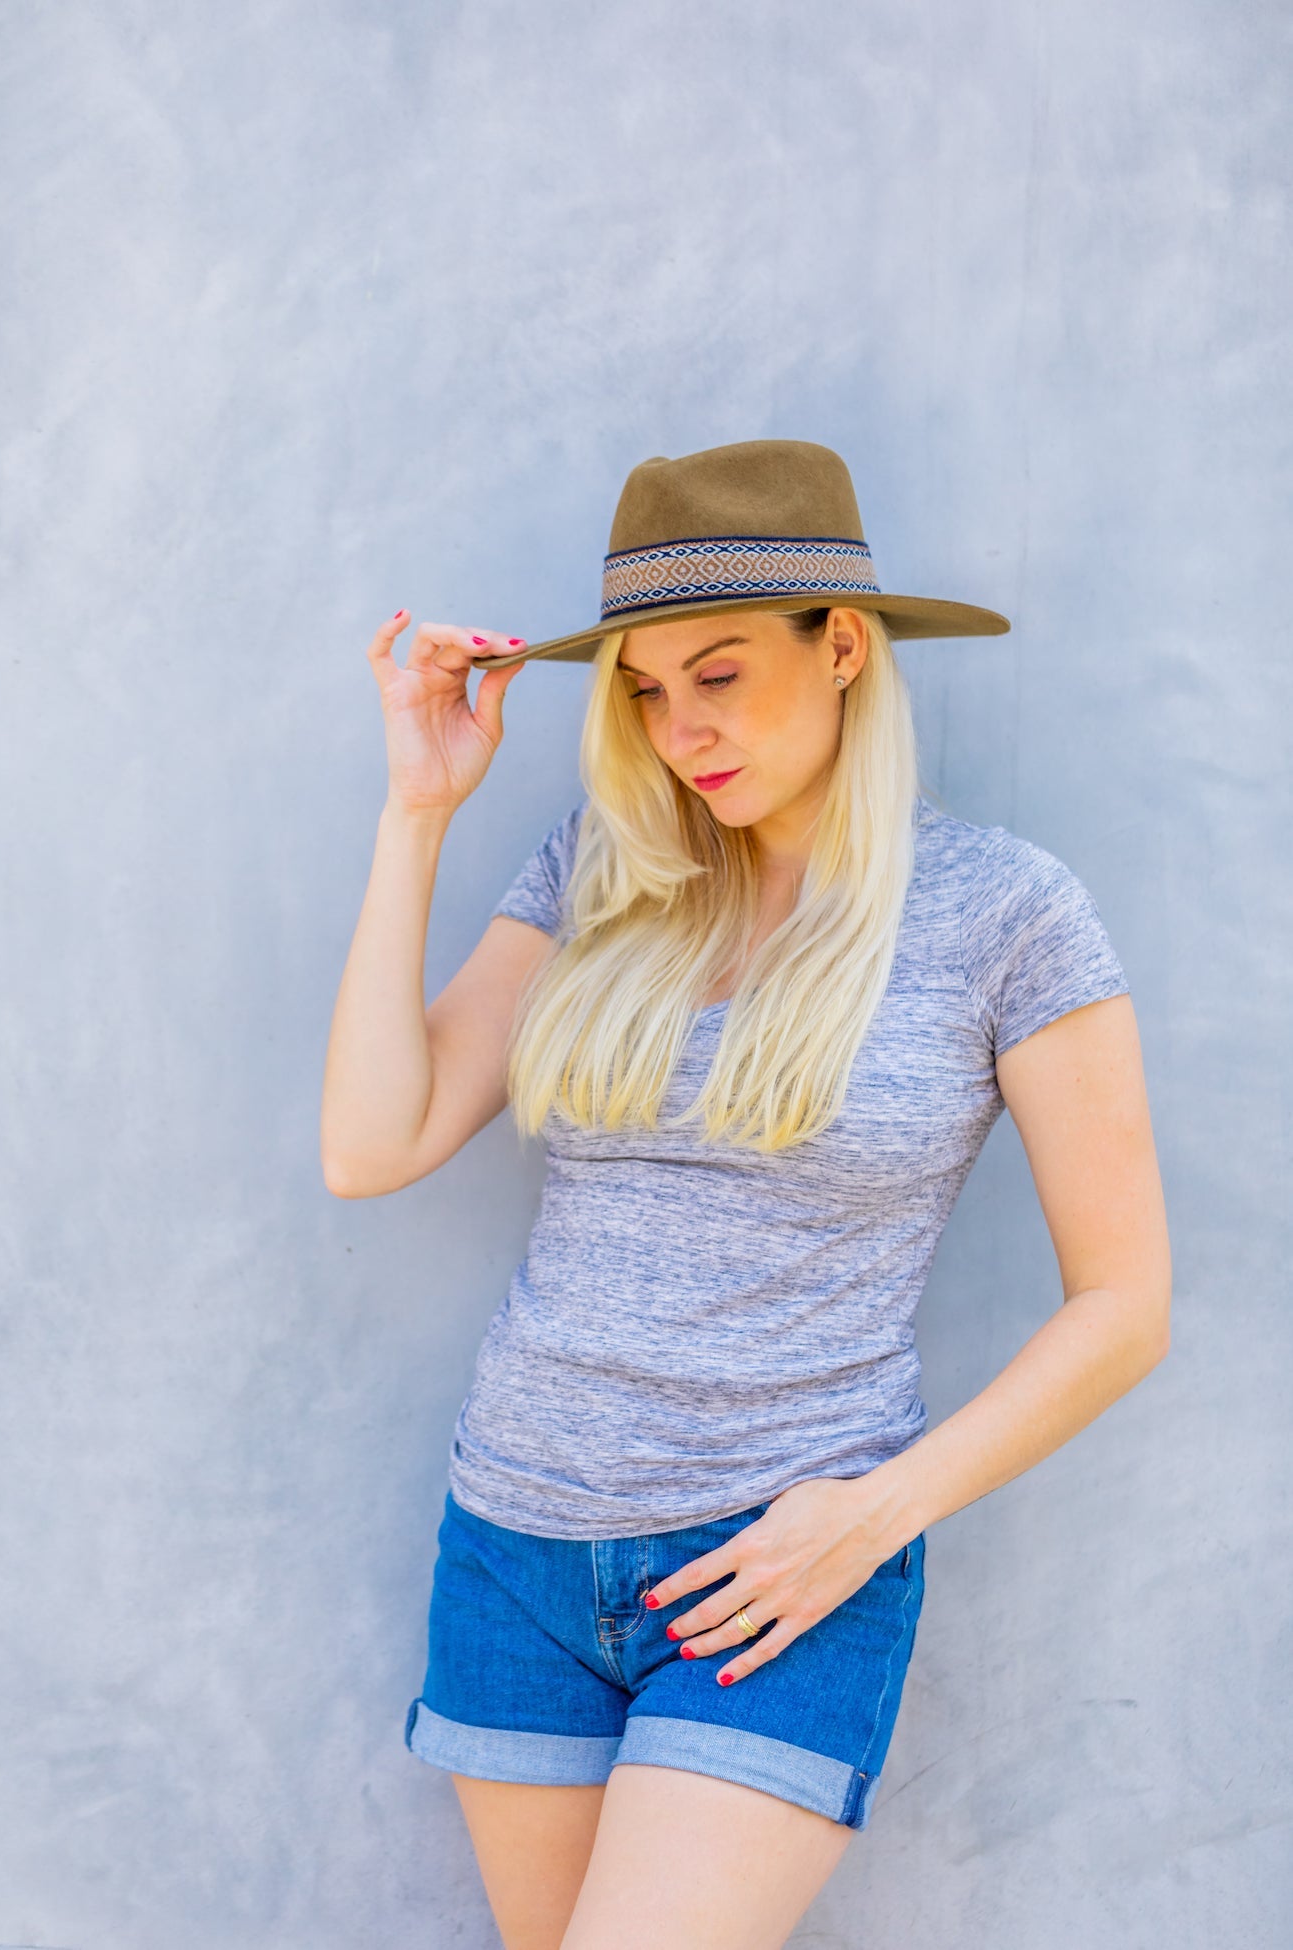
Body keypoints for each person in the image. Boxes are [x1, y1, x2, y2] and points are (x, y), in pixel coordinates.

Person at [321, 441, 1171, 1950]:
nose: (681, 729)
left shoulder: (1006, 915)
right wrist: (417, 811)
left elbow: (1126, 1304)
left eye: (718, 673)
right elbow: (371, 1143)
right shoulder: (603, 870)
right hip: (517, 1544)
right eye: (646, 691)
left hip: (779, 1572)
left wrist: (872, 1514)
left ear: (843, 647)